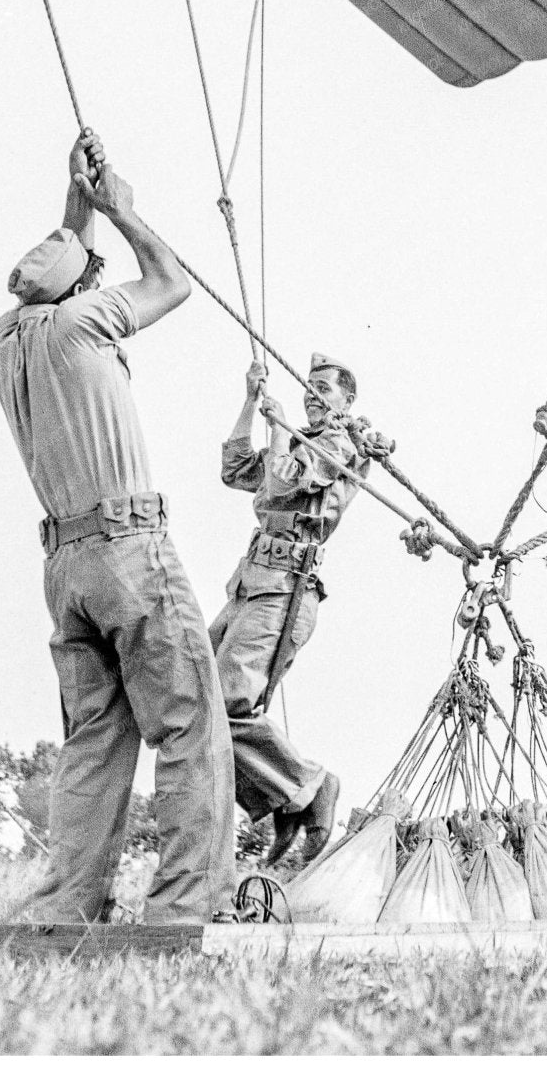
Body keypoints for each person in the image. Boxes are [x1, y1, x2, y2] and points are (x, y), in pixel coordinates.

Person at [0, 129, 235, 925]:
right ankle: (184, 905)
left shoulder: (6, 339)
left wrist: (74, 206)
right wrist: (122, 210)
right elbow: (172, 281)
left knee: (96, 741)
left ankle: (65, 904)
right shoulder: (85, 326)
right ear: (82, 292)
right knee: (191, 722)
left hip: (65, 567)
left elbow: (62, 269)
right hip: (131, 551)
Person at [208, 353, 368, 866]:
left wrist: (276, 427)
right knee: (192, 694)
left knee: (227, 705)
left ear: (348, 400)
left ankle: (309, 787)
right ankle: (287, 801)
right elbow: (235, 470)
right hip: (252, 582)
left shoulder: (339, 445)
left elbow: (279, 483)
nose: (312, 395)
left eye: (324, 388)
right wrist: (250, 405)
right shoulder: (299, 440)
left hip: (285, 590)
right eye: (309, 387)